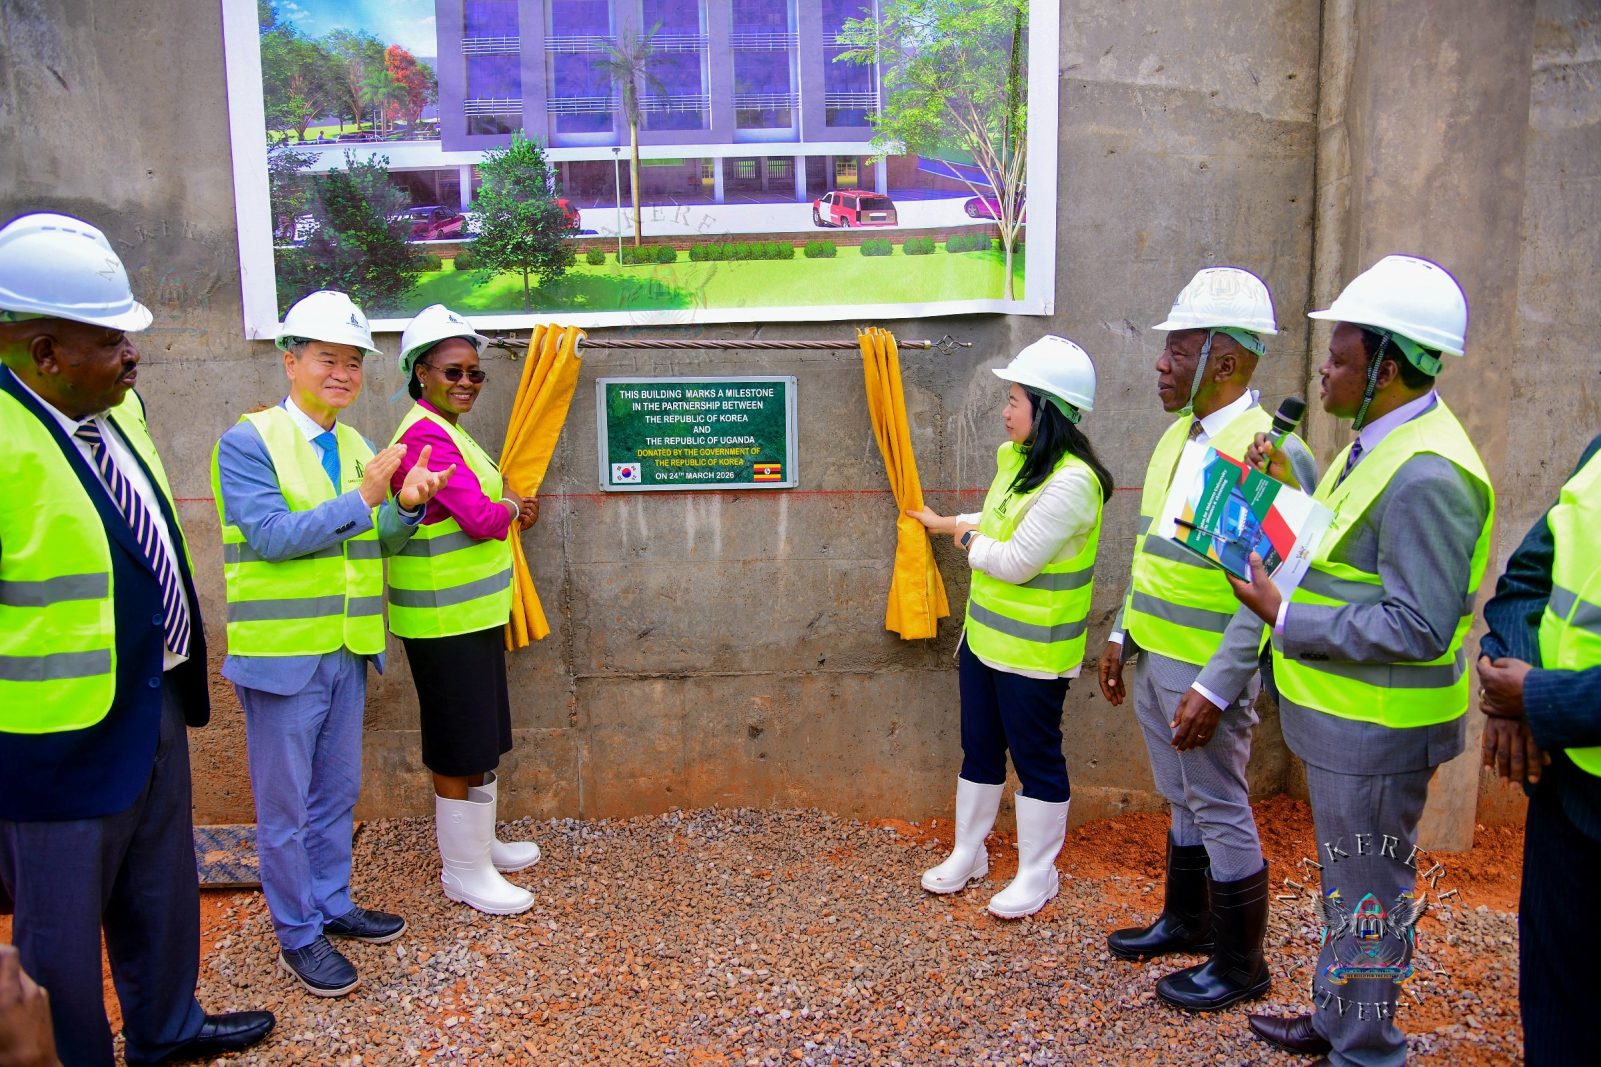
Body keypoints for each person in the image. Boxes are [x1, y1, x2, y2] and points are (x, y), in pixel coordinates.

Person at [0, 212, 274, 1065]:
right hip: (53, 741)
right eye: (113, 339)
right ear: (46, 351)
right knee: (60, 934)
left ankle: (166, 1028)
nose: (132, 354)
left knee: (159, 886)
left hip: (152, 698)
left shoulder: (117, 409)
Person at [1233, 255, 1493, 1067]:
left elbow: (1416, 624)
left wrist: (1284, 615)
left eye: (1338, 357)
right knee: (1350, 887)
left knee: (1369, 896)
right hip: (1348, 719)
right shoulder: (1377, 445)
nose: (1322, 368)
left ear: (1384, 368)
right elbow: (1341, 551)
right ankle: (1337, 1018)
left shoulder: (1427, 475)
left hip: (1378, 729)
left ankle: (1365, 1051)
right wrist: (1282, 487)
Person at [212, 290, 452, 997]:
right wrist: (367, 498)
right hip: (282, 657)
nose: (343, 374)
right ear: (290, 361)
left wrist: (404, 506)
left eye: (353, 362)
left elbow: (373, 538)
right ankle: (297, 933)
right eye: (328, 359)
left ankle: (331, 902)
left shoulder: (354, 446)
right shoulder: (247, 442)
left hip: (347, 649)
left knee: (335, 793)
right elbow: (270, 538)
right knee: (284, 809)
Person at [1098, 267, 1315, 1012]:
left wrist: (1217, 686)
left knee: (1219, 803)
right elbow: (1149, 546)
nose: (1159, 363)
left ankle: (1240, 963)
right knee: (1183, 798)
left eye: (1178, 350)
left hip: (1204, 673)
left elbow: (1271, 589)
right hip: (1158, 655)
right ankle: (1186, 922)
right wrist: (1122, 631)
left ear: (1224, 360)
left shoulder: (1268, 452)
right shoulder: (1178, 437)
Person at [909, 336, 1113, 919]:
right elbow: (999, 520)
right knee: (979, 748)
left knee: (1036, 757)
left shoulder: (1073, 482)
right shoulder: (1020, 460)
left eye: (1015, 399)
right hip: (984, 642)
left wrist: (965, 541)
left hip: (1034, 655)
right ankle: (968, 853)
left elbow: (1016, 559)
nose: (1004, 411)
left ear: (1046, 410)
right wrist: (944, 522)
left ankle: (1036, 873)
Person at [389, 304, 541, 915]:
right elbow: (479, 517)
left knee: (480, 735)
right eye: (453, 372)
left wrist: (505, 507)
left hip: (467, 616)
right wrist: (514, 509)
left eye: (475, 373)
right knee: (457, 742)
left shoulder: (447, 428)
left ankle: (482, 846)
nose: (466, 382)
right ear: (420, 372)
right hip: (440, 620)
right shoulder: (425, 434)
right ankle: (464, 870)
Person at [1476, 432, 1601, 1067]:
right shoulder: (1598, 455)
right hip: (1565, 788)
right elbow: (1527, 581)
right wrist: (1511, 686)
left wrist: (1538, 699)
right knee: (1556, 1000)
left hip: (1559, 735)